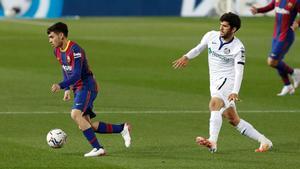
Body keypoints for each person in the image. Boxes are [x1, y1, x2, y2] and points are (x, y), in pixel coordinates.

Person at [172, 12, 272, 153]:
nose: (221, 28)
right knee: (232, 118)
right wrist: (186, 56)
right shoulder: (211, 35)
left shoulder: (238, 47)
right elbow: (199, 47)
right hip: (214, 81)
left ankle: (212, 141)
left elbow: (239, 71)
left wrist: (235, 91)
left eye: (225, 26)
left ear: (233, 29)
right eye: (221, 25)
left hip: (228, 81)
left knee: (214, 104)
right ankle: (264, 140)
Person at [47, 22, 131, 157]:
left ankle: (98, 148)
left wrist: (61, 85)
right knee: (86, 125)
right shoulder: (57, 51)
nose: (50, 40)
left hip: (87, 86)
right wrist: (67, 89)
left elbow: (76, 74)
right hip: (77, 88)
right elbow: (65, 68)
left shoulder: (75, 50)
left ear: (61, 35)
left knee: (75, 114)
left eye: (52, 37)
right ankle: (122, 128)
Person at [250, 0, 300, 96]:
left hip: (286, 36)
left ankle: (294, 73)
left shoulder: (295, 1)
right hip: (276, 36)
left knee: (272, 61)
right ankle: (287, 85)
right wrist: (258, 10)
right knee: (277, 61)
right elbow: (270, 6)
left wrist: (298, 23)